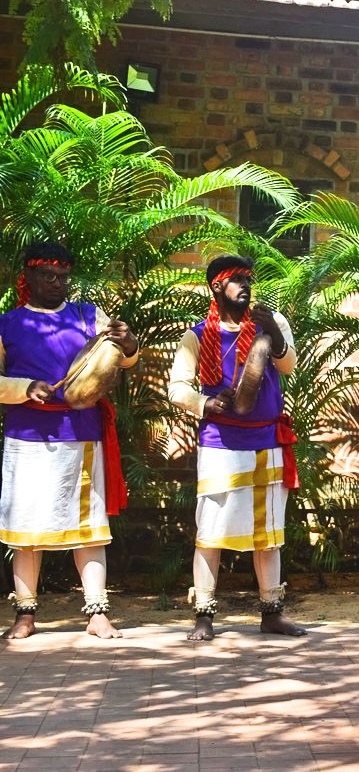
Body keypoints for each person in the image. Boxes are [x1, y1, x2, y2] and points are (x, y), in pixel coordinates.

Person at [0, 240, 138, 639]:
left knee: (89, 527)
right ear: (28, 276)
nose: (58, 282)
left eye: (63, 276)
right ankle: (25, 614)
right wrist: (25, 388)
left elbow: (123, 357)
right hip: (26, 437)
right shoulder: (7, 323)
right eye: (49, 275)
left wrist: (128, 343)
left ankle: (97, 613)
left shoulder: (88, 315)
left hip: (81, 435)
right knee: (25, 528)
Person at [167, 255, 307, 641]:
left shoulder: (272, 322)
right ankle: (204, 615)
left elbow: (289, 365)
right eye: (236, 279)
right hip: (220, 443)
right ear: (216, 287)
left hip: (266, 440)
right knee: (210, 530)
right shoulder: (196, 336)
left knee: (269, 533)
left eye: (248, 278)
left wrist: (273, 335)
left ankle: (272, 612)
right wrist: (204, 403)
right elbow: (176, 388)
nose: (245, 285)